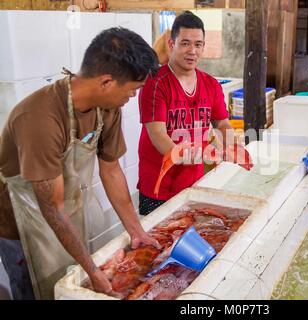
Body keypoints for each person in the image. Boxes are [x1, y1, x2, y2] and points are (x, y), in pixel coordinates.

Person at [0, 27, 160, 300]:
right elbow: (52, 208)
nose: (132, 97)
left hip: (64, 209)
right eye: (133, 90)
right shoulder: (39, 117)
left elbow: (111, 170)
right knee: (38, 291)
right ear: (107, 82)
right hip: (21, 224)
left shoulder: (108, 108)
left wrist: (136, 232)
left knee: (74, 281)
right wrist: (91, 270)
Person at [138, 11, 251, 215]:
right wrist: (186, 155)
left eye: (198, 44)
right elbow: (158, 135)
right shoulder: (155, 83)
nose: (192, 51)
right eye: (185, 43)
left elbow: (222, 124)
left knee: (191, 238)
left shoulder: (211, 84)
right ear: (171, 44)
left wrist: (231, 147)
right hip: (158, 188)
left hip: (194, 184)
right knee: (159, 244)